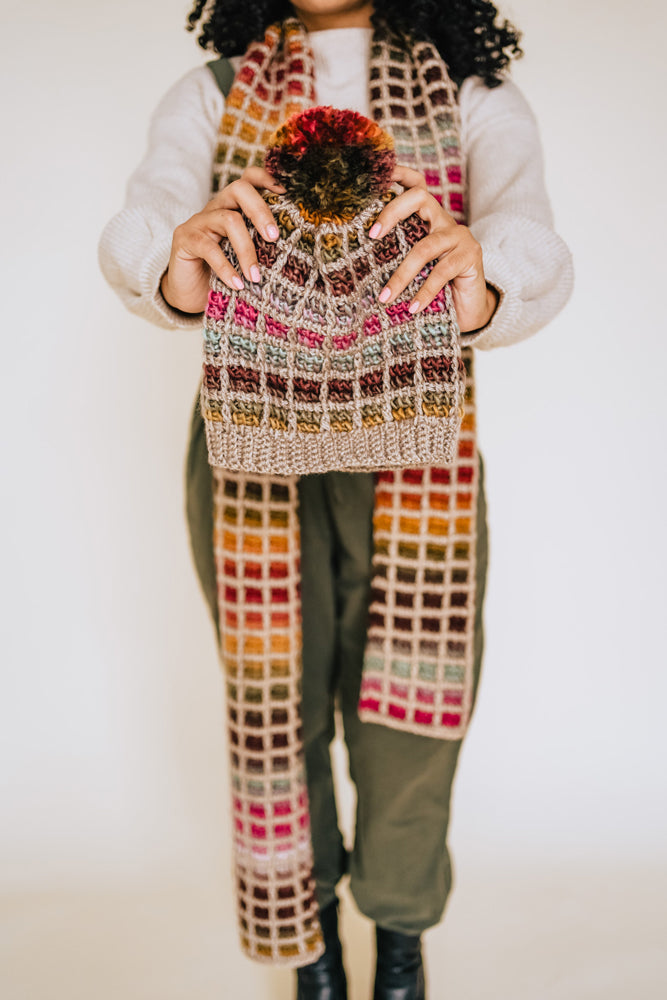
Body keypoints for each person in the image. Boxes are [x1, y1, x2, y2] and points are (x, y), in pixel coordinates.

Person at [98, 2, 574, 998]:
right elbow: (143, 222)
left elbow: (529, 237)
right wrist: (174, 265)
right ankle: (310, 946)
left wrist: (482, 277)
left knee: (414, 711)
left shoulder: (472, 98)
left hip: (420, 449)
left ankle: (398, 938)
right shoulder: (213, 93)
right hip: (249, 446)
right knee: (275, 700)